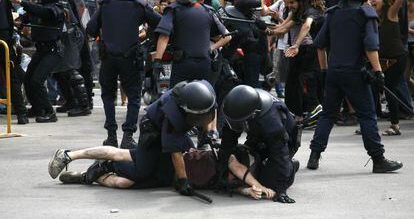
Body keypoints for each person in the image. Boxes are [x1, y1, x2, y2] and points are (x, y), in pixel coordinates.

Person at [49, 80, 219, 197]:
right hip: (153, 129)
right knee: (140, 171)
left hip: (172, 131)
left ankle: (80, 167)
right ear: (186, 109)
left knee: (132, 167)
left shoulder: (205, 93)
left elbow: (209, 113)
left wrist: (212, 133)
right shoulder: (173, 114)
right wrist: (183, 182)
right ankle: (103, 164)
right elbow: (175, 152)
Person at [306, 0, 403, 173]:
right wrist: (378, 71)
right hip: (355, 73)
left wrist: (325, 71)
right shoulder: (366, 13)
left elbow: (320, 45)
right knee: (367, 115)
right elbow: (370, 47)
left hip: (334, 72)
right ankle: (378, 159)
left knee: (328, 114)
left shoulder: (333, 13)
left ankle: (314, 155)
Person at [86, 0, 161, 149]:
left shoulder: (105, 3)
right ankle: (127, 136)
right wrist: (146, 36)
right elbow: (160, 23)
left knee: (107, 96)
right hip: (131, 58)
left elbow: (91, 29)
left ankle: (111, 136)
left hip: (108, 58)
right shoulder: (139, 4)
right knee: (134, 97)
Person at [48, 144, 277, 200]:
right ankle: (69, 154)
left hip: (169, 179)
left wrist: (249, 192)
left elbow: (236, 186)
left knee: (123, 184)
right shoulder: (233, 158)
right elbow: (238, 168)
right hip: (168, 157)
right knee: (118, 155)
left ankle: (89, 175)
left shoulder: (235, 180)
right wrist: (260, 186)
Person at [218, 85, 301, 203]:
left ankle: (291, 166)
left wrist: (281, 189)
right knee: (239, 158)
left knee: (268, 185)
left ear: (253, 114)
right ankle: (265, 166)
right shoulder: (235, 109)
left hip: (284, 144)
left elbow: (280, 153)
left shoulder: (272, 121)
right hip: (258, 136)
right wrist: (222, 167)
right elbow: (228, 141)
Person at [153, 0, 231, 87]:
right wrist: (211, 48)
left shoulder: (172, 9)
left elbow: (164, 36)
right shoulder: (208, 11)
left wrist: (157, 60)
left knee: (176, 99)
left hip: (183, 64)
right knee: (205, 99)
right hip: (205, 64)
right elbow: (227, 36)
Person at [8, 0, 65, 123]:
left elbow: (43, 13)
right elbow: (24, 19)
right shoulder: (38, 8)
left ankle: (49, 112)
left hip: (52, 51)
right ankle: (37, 108)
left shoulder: (56, 9)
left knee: (37, 81)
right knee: (28, 79)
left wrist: (21, 2)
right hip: (41, 50)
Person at [370, 0, 407, 135]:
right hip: (381, 59)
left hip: (397, 58)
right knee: (375, 89)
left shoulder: (391, 14)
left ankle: (395, 125)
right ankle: (370, 122)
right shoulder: (372, 17)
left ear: (384, 0)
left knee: (391, 89)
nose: (373, 0)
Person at [0, 0, 28, 124]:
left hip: (5, 44)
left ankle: (21, 112)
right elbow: (9, 26)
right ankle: (21, 113)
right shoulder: (5, 0)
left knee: (13, 78)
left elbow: (9, 25)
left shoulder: (6, 0)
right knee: (13, 78)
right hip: (5, 43)